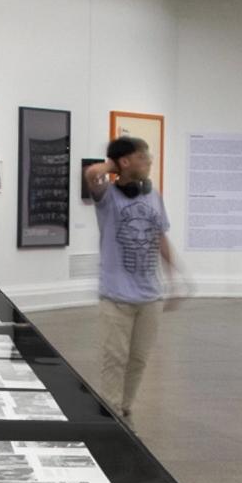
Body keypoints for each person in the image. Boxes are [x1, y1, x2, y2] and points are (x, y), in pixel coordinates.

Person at [83, 137, 176, 419]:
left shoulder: (153, 195)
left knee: (138, 359)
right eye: (142, 157)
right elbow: (91, 174)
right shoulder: (107, 197)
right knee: (115, 358)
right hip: (116, 297)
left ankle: (125, 408)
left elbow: (160, 236)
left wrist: (173, 275)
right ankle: (110, 412)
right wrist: (114, 162)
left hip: (150, 296)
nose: (148, 162)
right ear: (125, 162)